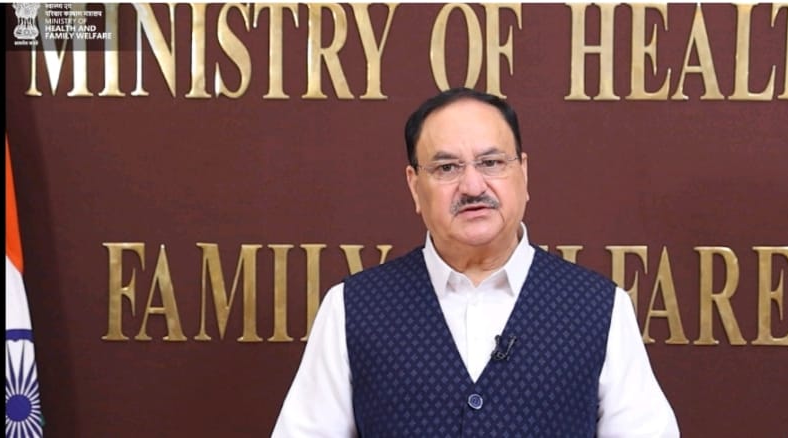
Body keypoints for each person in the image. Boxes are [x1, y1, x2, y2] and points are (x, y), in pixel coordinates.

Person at [272, 87, 679, 437]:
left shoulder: (599, 308)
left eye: (491, 163)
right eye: (446, 167)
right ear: (414, 186)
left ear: (523, 172)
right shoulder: (351, 308)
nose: (471, 186)